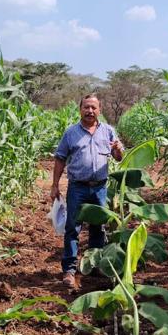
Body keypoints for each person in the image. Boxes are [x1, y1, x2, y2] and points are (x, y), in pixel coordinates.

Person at [50, 94, 123, 289]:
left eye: (93, 107)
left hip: (99, 187)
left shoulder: (108, 131)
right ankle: (70, 270)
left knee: (98, 227)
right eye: (86, 107)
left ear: (99, 110)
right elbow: (59, 159)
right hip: (78, 187)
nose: (90, 111)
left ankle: (94, 265)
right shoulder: (71, 133)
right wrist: (55, 185)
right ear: (80, 109)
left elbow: (118, 157)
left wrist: (117, 149)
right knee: (72, 228)